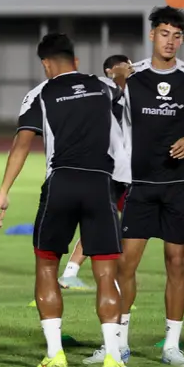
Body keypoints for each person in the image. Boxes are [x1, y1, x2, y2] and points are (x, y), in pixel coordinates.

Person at [0, 33, 132, 367]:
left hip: (62, 183)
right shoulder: (104, 87)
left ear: (45, 64)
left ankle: (55, 354)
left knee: (46, 265)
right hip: (101, 183)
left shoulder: (40, 93)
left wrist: (3, 192)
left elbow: (22, 145)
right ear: (76, 61)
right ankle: (113, 355)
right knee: (105, 272)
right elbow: (128, 103)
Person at [99, 6, 184, 367]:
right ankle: (118, 343)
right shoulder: (131, 75)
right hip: (139, 184)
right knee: (125, 265)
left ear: (182, 39)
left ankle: (171, 345)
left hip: (178, 184)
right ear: (152, 35)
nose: (170, 41)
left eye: (177, 35)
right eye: (164, 33)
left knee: (177, 264)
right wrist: (116, 79)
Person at [58, 54, 133, 291]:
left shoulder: (132, 93)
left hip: (127, 171)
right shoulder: (104, 86)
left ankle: (72, 273)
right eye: (126, 66)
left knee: (112, 225)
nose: (131, 70)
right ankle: (108, 281)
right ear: (111, 70)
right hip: (111, 169)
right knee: (108, 224)